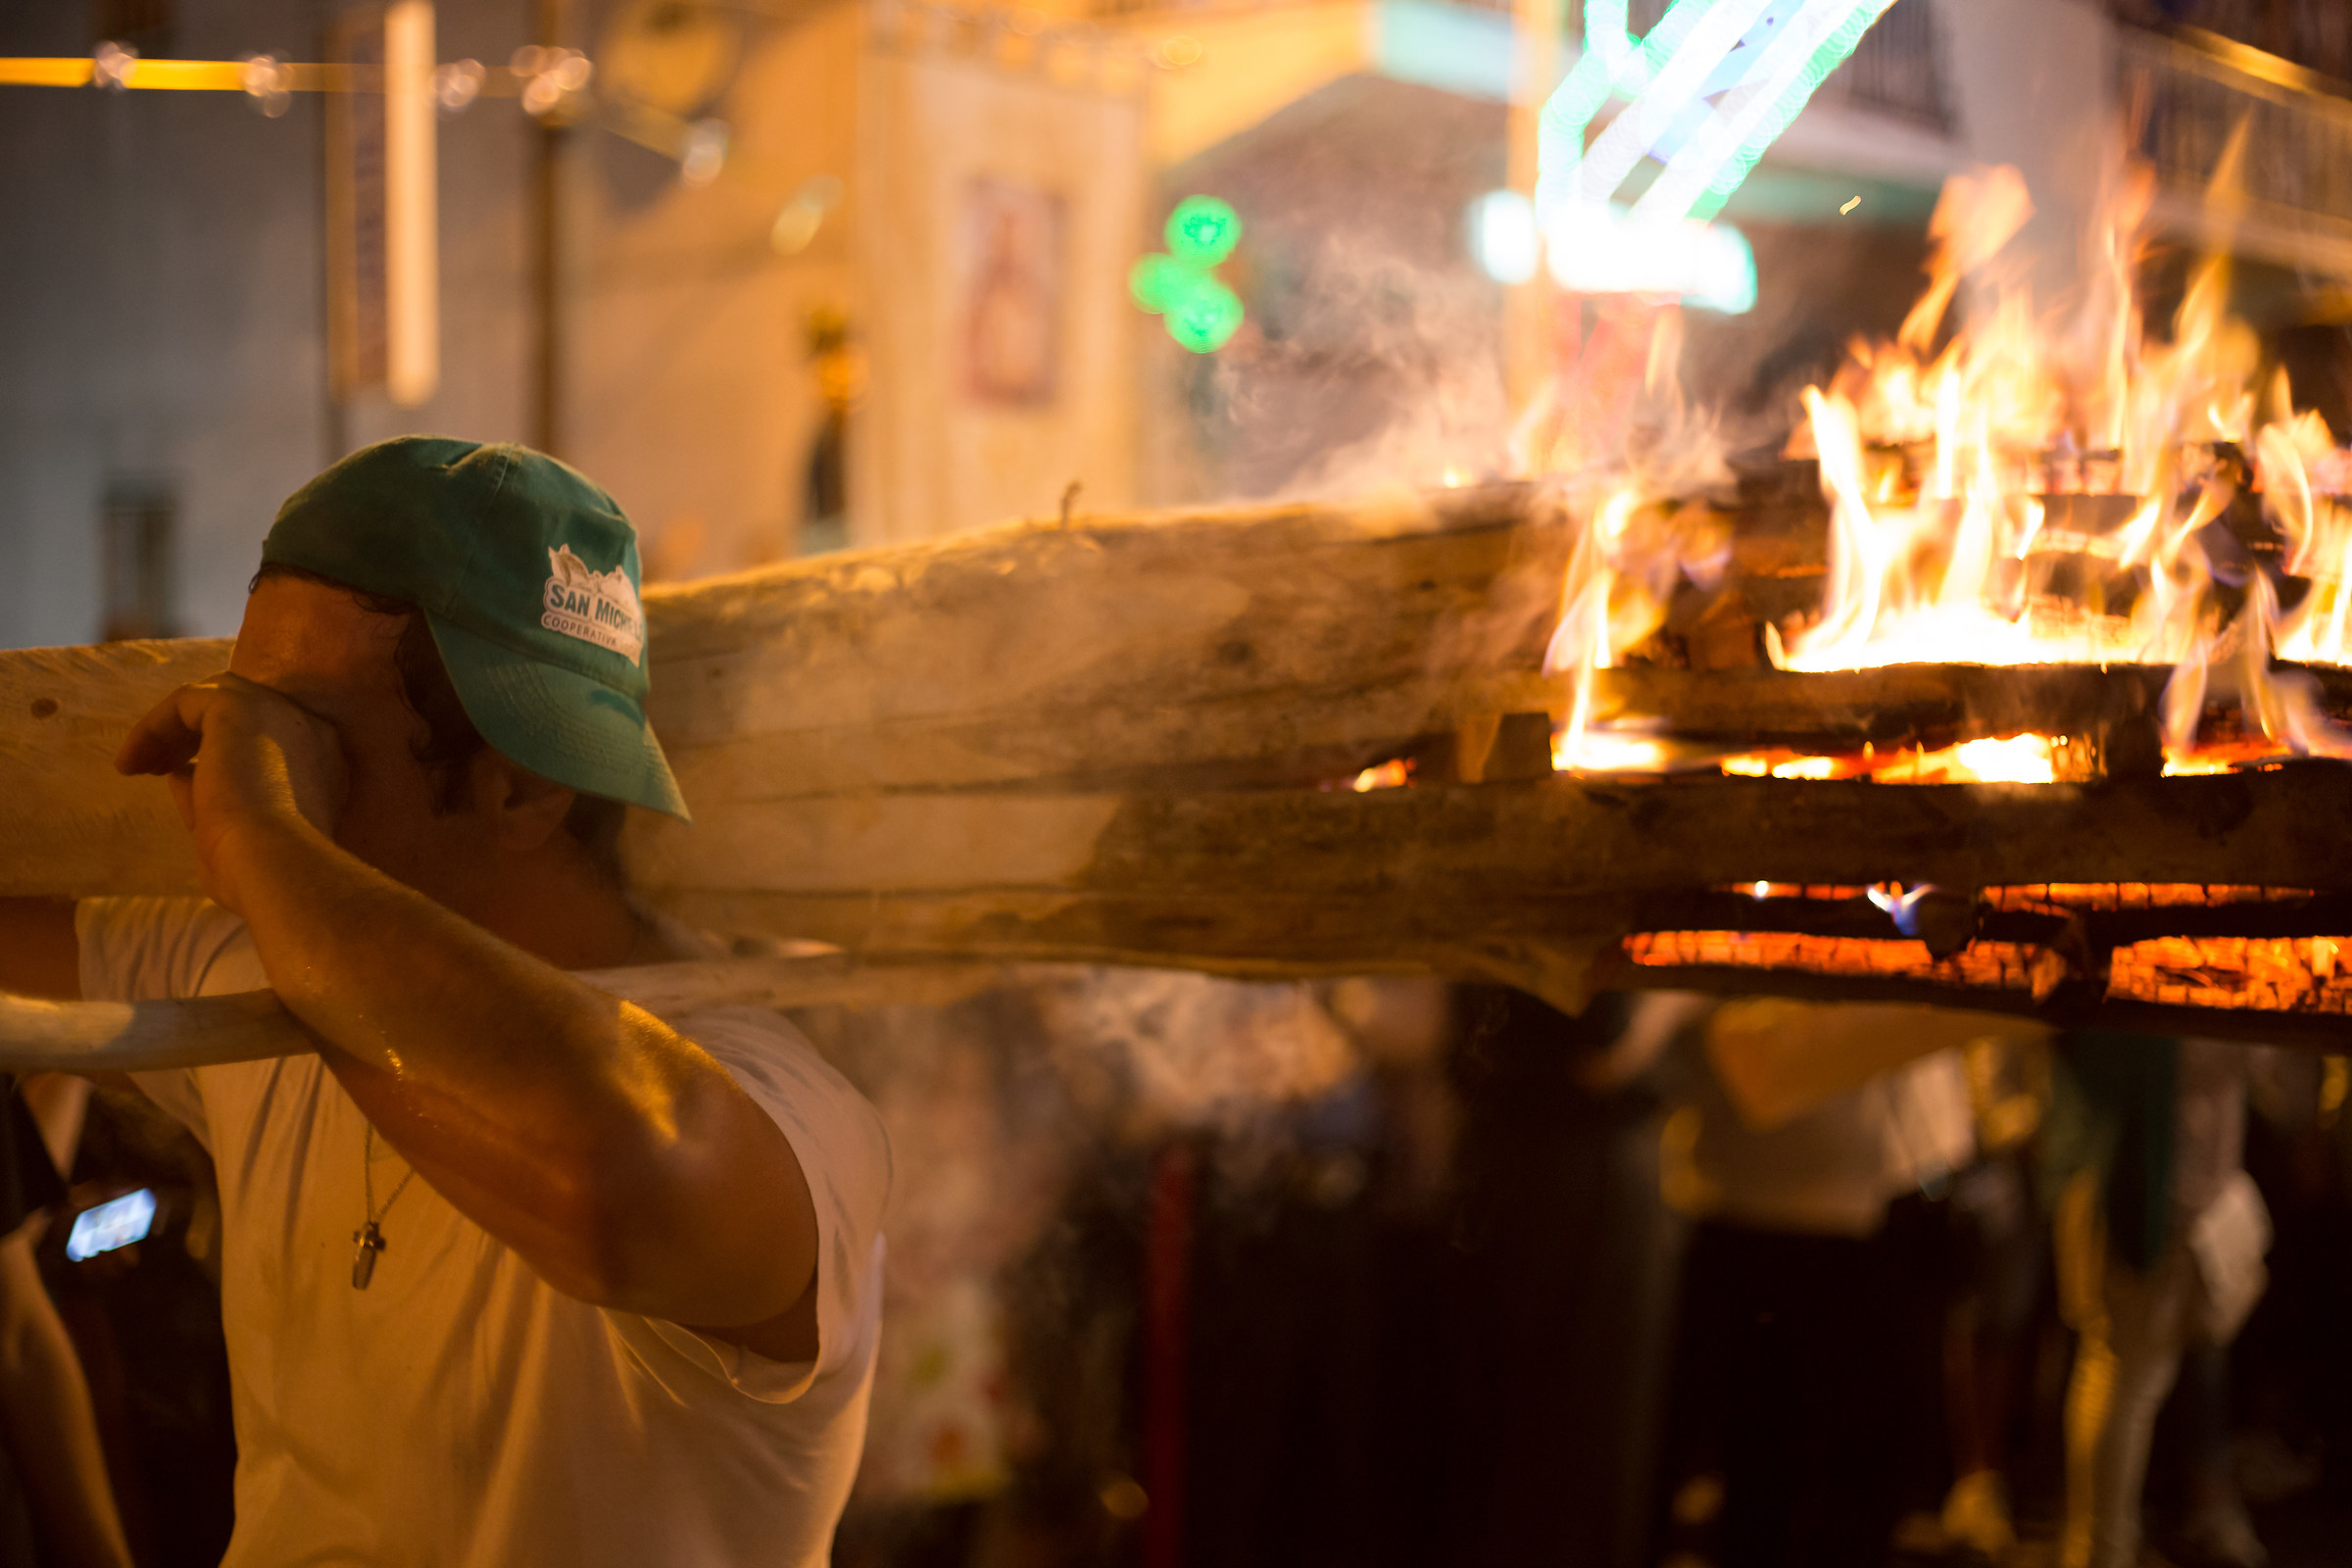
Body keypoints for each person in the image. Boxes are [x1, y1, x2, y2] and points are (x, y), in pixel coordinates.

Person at [0, 437, 891, 1564]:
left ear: (521, 786)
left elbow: (617, 1187)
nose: (237, 757)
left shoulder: (788, 1106)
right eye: (241, 716)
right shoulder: (253, 964)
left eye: (305, 738)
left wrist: (259, 833)